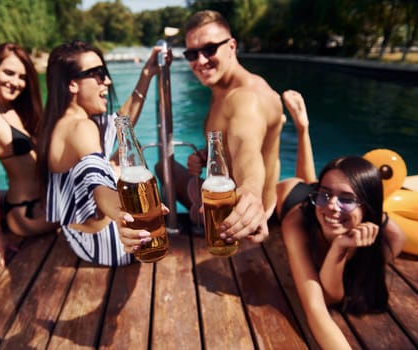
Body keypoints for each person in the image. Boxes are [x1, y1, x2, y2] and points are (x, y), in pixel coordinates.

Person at [276, 89, 406, 349]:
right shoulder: (296, 222)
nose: (333, 207)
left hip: (316, 196)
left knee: (317, 187)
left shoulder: (391, 236)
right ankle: (300, 130)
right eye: (326, 195)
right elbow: (320, 304)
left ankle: (302, 128)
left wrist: (338, 245)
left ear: (368, 207)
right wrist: (339, 247)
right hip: (290, 195)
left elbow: (334, 293)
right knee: (306, 184)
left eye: (347, 199)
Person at [36, 41, 171, 266]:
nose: (107, 80)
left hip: (79, 240)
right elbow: (99, 186)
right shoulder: (82, 128)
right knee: (120, 168)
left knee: (116, 158)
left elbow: (122, 120)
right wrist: (123, 216)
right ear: (72, 84)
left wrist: (147, 73)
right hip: (108, 246)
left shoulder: (57, 124)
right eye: (98, 74)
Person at [164, 10, 283, 244]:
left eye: (209, 49)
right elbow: (231, 143)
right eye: (191, 54)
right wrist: (207, 156)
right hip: (221, 199)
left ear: (232, 45)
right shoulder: (221, 88)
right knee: (163, 167)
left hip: (241, 218)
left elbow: (245, 150)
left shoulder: (247, 98)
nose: (200, 61)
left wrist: (249, 190)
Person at [0, 43, 59, 268]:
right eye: (8, 73)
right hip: (26, 212)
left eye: (22, 77)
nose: (16, 82)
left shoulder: (19, 110)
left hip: (46, 204)